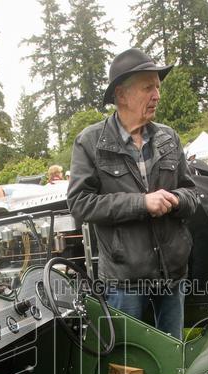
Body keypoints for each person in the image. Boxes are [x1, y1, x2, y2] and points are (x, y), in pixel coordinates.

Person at [67, 48, 199, 340]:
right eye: (147, 87)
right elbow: (79, 204)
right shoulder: (90, 142)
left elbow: (192, 193)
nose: (157, 95)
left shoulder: (169, 137)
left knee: (172, 355)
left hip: (173, 275)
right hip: (124, 282)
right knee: (129, 365)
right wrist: (141, 204)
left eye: (158, 87)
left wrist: (176, 200)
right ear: (121, 95)